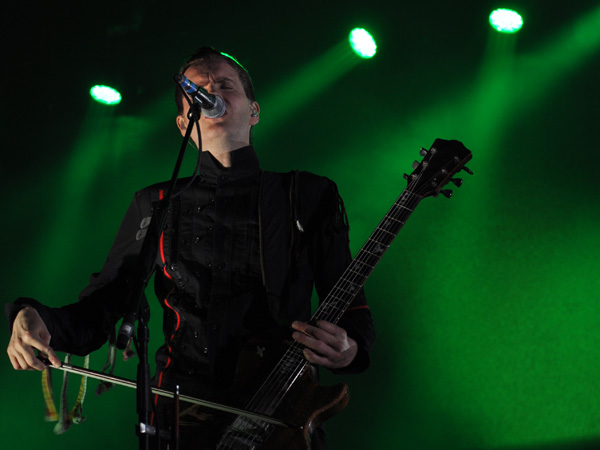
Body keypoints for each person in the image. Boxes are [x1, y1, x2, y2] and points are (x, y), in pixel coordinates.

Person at [6, 47, 375, 449]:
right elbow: (106, 302)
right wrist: (37, 316)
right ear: (184, 123)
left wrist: (348, 348)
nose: (211, 93)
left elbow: (352, 309)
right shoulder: (156, 203)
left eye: (224, 86)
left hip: (279, 410)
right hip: (181, 411)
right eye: (197, 90)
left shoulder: (305, 194)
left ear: (253, 110)